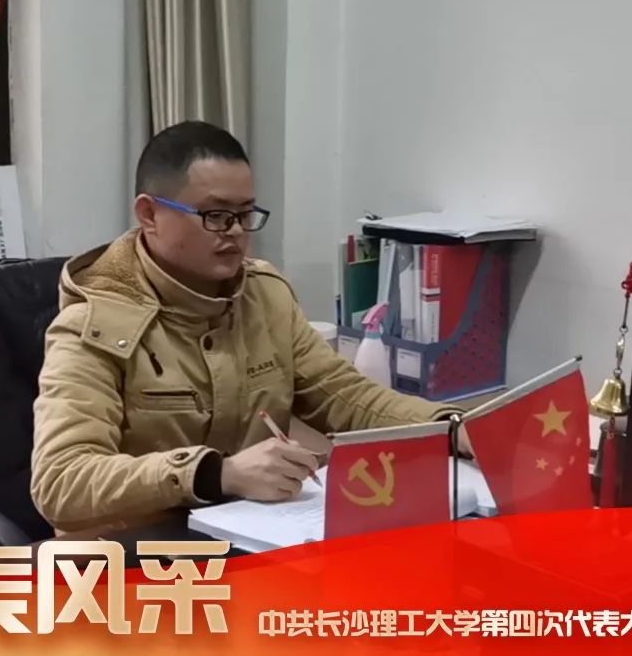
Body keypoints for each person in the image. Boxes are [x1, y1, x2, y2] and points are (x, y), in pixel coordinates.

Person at [31, 121, 464, 533]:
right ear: (149, 214)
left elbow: (346, 396)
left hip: (252, 533)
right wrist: (217, 474)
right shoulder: (93, 323)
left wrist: (453, 427)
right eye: (215, 215)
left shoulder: (265, 295)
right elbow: (61, 481)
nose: (236, 232)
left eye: (244, 214)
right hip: (138, 553)